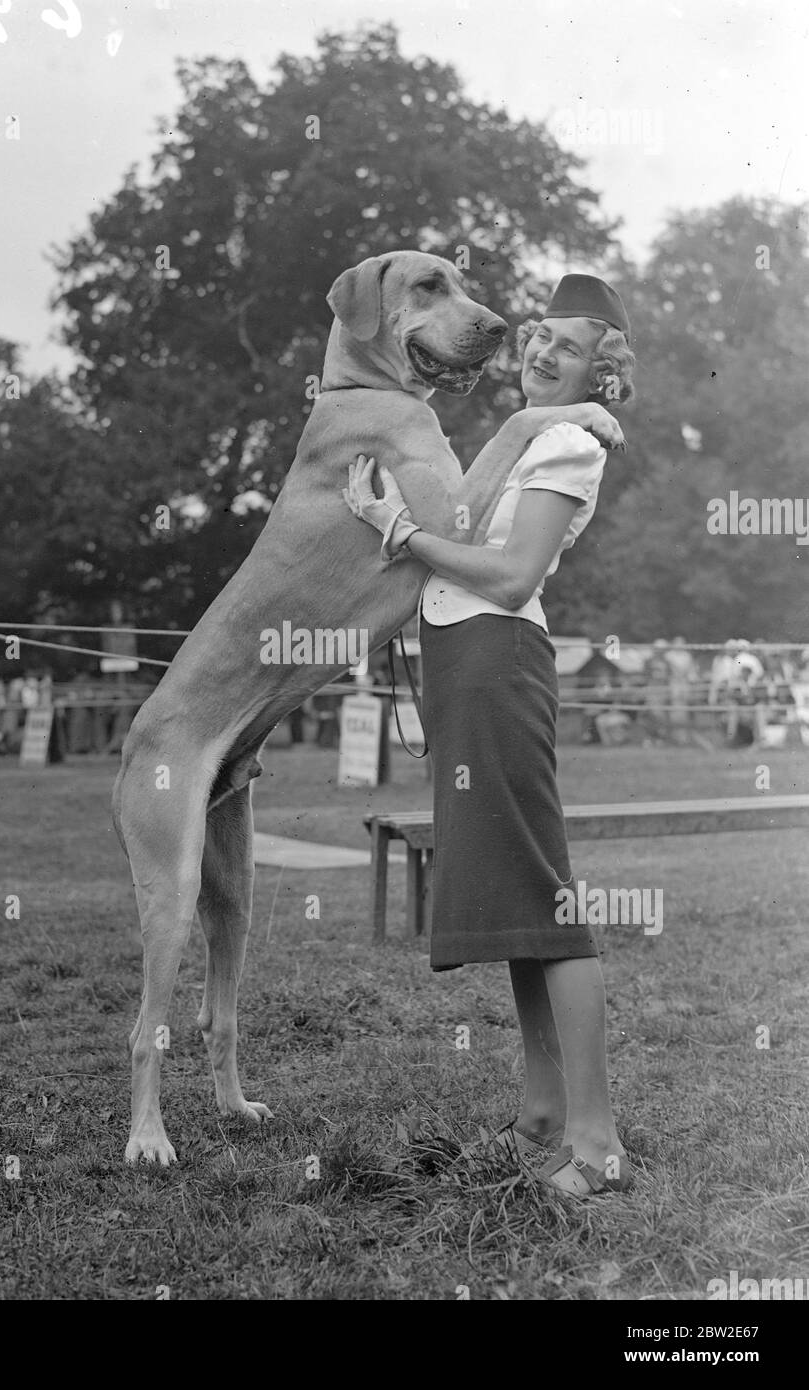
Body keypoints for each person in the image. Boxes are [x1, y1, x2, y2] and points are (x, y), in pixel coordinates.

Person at [345, 274, 636, 1197]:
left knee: (543, 896)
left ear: (600, 373)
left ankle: (597, 1145)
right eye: (539, 335)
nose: (541, 352)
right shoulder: (529, 434)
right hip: (462, 666)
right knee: (517, 909)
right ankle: (541, 1118)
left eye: (569, 347)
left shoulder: (568, 444)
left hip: (500, 657)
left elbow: (509, 577)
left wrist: (401, 534)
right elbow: (466, 526)